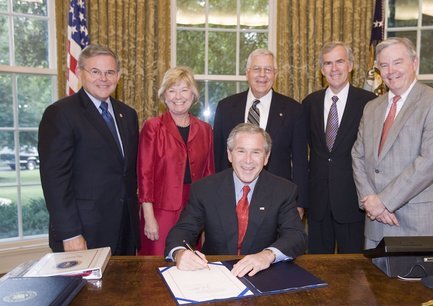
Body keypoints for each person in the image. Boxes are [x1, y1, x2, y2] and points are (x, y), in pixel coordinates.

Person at [351, 37, 433, 249]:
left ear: (414, 63)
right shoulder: (371, 107)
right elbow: (358, 156)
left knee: (416, 284)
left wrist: (383, 202)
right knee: (373, 283)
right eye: (384, 65)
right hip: (375, 225)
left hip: (419, 224)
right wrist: (370, 201)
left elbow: (430, 162)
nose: (391, 71)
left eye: (397, 62)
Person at [165, 123, 307, 277]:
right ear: (229, 154)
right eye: (241, 151)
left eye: (256, 152)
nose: (248, 160)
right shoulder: (204, 189)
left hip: (263, 273)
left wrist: (267, 255)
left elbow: (296, 236)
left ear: (266, 157)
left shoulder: (283, 190)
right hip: (213, 274)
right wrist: (179, 253)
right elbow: (182, 231)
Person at [38, 44, 140, 255]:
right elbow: (55, 180)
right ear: (80, 73)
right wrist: (70, 233)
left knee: (123, 288)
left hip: (124, 227)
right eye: (95, 71)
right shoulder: (60, 114)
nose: (103, 78)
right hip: (84, 231)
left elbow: (127, 172)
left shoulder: (128, 115)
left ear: (118, 76)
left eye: (109, 72)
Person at [213, 48, 308, 218]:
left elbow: (300, 160)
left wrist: (299, 203)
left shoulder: (294, 110)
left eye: (268, 69)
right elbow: (219, 156)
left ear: (275, 74)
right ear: (247, 73)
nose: (262, 75)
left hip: (278, 199)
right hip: (232, 197)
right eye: (257, 69)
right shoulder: (225, 107)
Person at [302, 42, 376, 254]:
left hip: (354, 201)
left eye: (340, 61)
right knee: (317, 267)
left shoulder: (370, 103)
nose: (334, 68)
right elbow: (301, 152)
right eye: (328, 63)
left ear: (350, 65)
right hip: (318, 203)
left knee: (353, 272)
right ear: (322, 69)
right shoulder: (309, 104)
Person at [137, 67, 214, 255]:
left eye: (184, 89)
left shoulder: (205, 130)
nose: (178, 96)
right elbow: (144, 174)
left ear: (193, 94)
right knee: (156, 263)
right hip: (160, 210)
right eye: (172, 90)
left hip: (193, 210)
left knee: (189, 263)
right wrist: (149, 217)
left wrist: (206, 220)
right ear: (164, 96)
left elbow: (209, 175)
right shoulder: (153, 127)